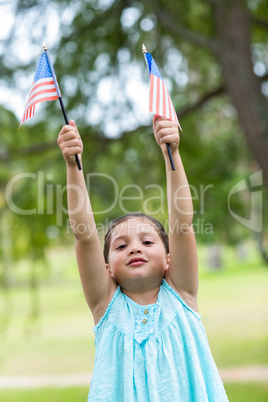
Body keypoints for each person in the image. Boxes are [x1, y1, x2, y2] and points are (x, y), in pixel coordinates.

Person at [57, 116, 228, 401]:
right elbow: (85, 236)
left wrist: (171, 152)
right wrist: (73, 165)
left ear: (169, 259)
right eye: (121, 246)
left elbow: (182, 224)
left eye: (147, 242)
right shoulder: (106, 306)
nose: (135, 249)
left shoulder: (181, 294)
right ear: (108, 268)